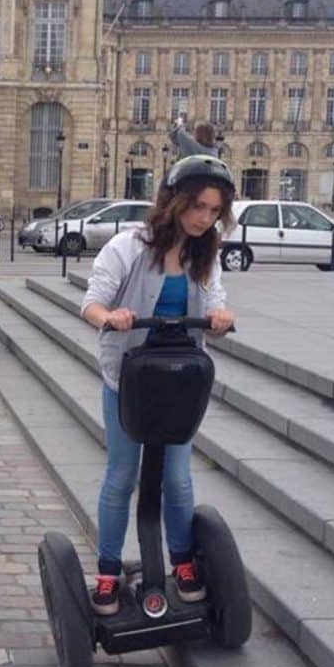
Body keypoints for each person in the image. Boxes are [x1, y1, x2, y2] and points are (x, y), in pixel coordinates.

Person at [80, 154, 237, 616]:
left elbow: (214, 301)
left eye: (212, 211)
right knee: (122, 476)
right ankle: (108, 571)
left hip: (181, 382)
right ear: (173, 201)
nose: (203, 218)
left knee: (177, 480)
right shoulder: (128, 247)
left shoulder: (205, 251)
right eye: (196, 207)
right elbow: (92, 302)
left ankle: (183, 563)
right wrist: (110, 316)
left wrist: (220, 318)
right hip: (130, 380)